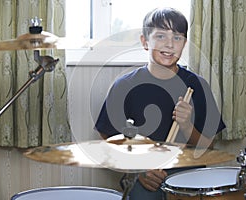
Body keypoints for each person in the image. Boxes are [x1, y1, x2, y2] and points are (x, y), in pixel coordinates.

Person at [95, 7, 226, 200]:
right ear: (145, 42)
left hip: (188, 171)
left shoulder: (197, 85)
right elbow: (108, 137)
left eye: (177, 37)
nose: (170, 44)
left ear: (184, 44)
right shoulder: (124, 86)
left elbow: (208, 146)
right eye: (161, 36)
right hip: (144, 173)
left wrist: (187, 126)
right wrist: (137, 170)